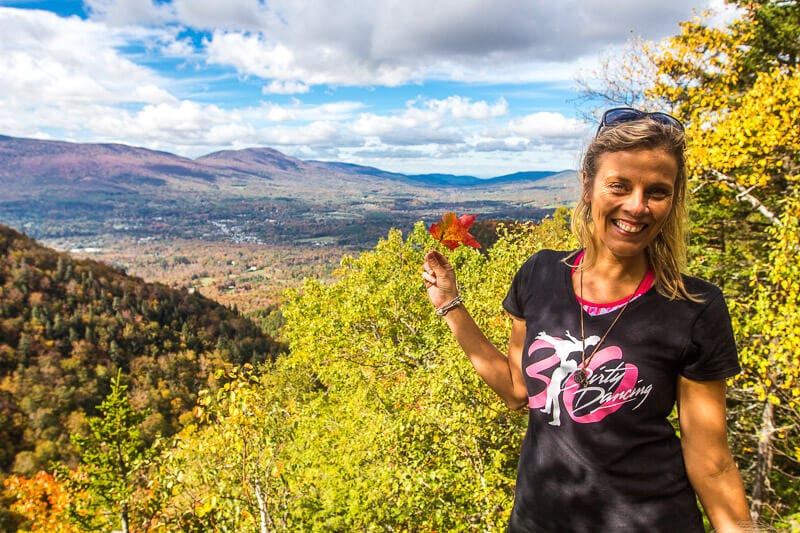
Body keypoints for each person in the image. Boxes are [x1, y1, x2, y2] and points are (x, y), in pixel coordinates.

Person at [422, 108, 753, 532]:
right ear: (589, 186)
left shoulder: (694, 307)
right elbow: (517, 390)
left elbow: (713, 463)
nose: (636, 206)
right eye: (619, 186)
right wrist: (450, 304)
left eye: (657, 191)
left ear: (673, 200)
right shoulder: (540, 275)